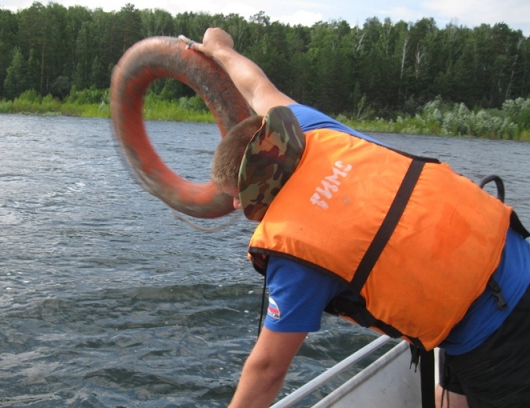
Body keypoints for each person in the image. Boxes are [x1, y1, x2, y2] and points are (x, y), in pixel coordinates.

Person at [188, 27, 530, 408]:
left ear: (260, 189)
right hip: (506, 262)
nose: (235, 207)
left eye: (238, 198)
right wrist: (221, 49)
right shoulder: (309, 128)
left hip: (500, 335)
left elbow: (267, 370)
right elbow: (256, 88)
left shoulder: (296, 250)